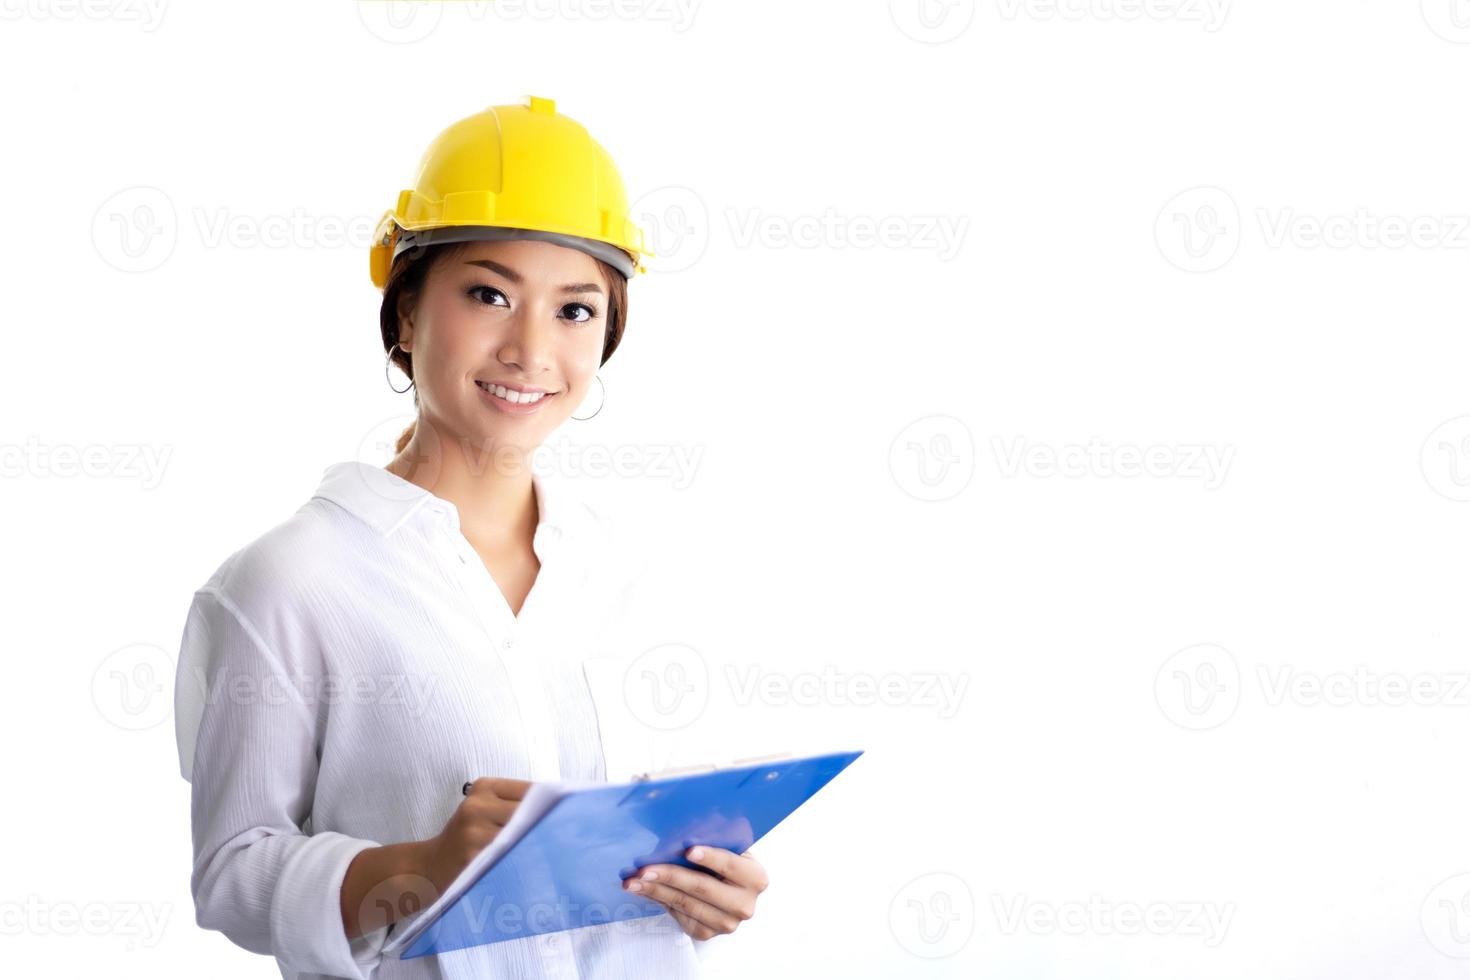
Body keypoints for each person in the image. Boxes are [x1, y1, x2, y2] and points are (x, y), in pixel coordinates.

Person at [172, 96, 767, 980]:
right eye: (488, 294)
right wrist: (415, 868)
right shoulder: (288, 581)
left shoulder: (627, 572)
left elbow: (663, 834)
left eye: (575, 310)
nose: (531, 349)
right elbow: (232, 873)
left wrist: (713, 888)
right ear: (406, 313)